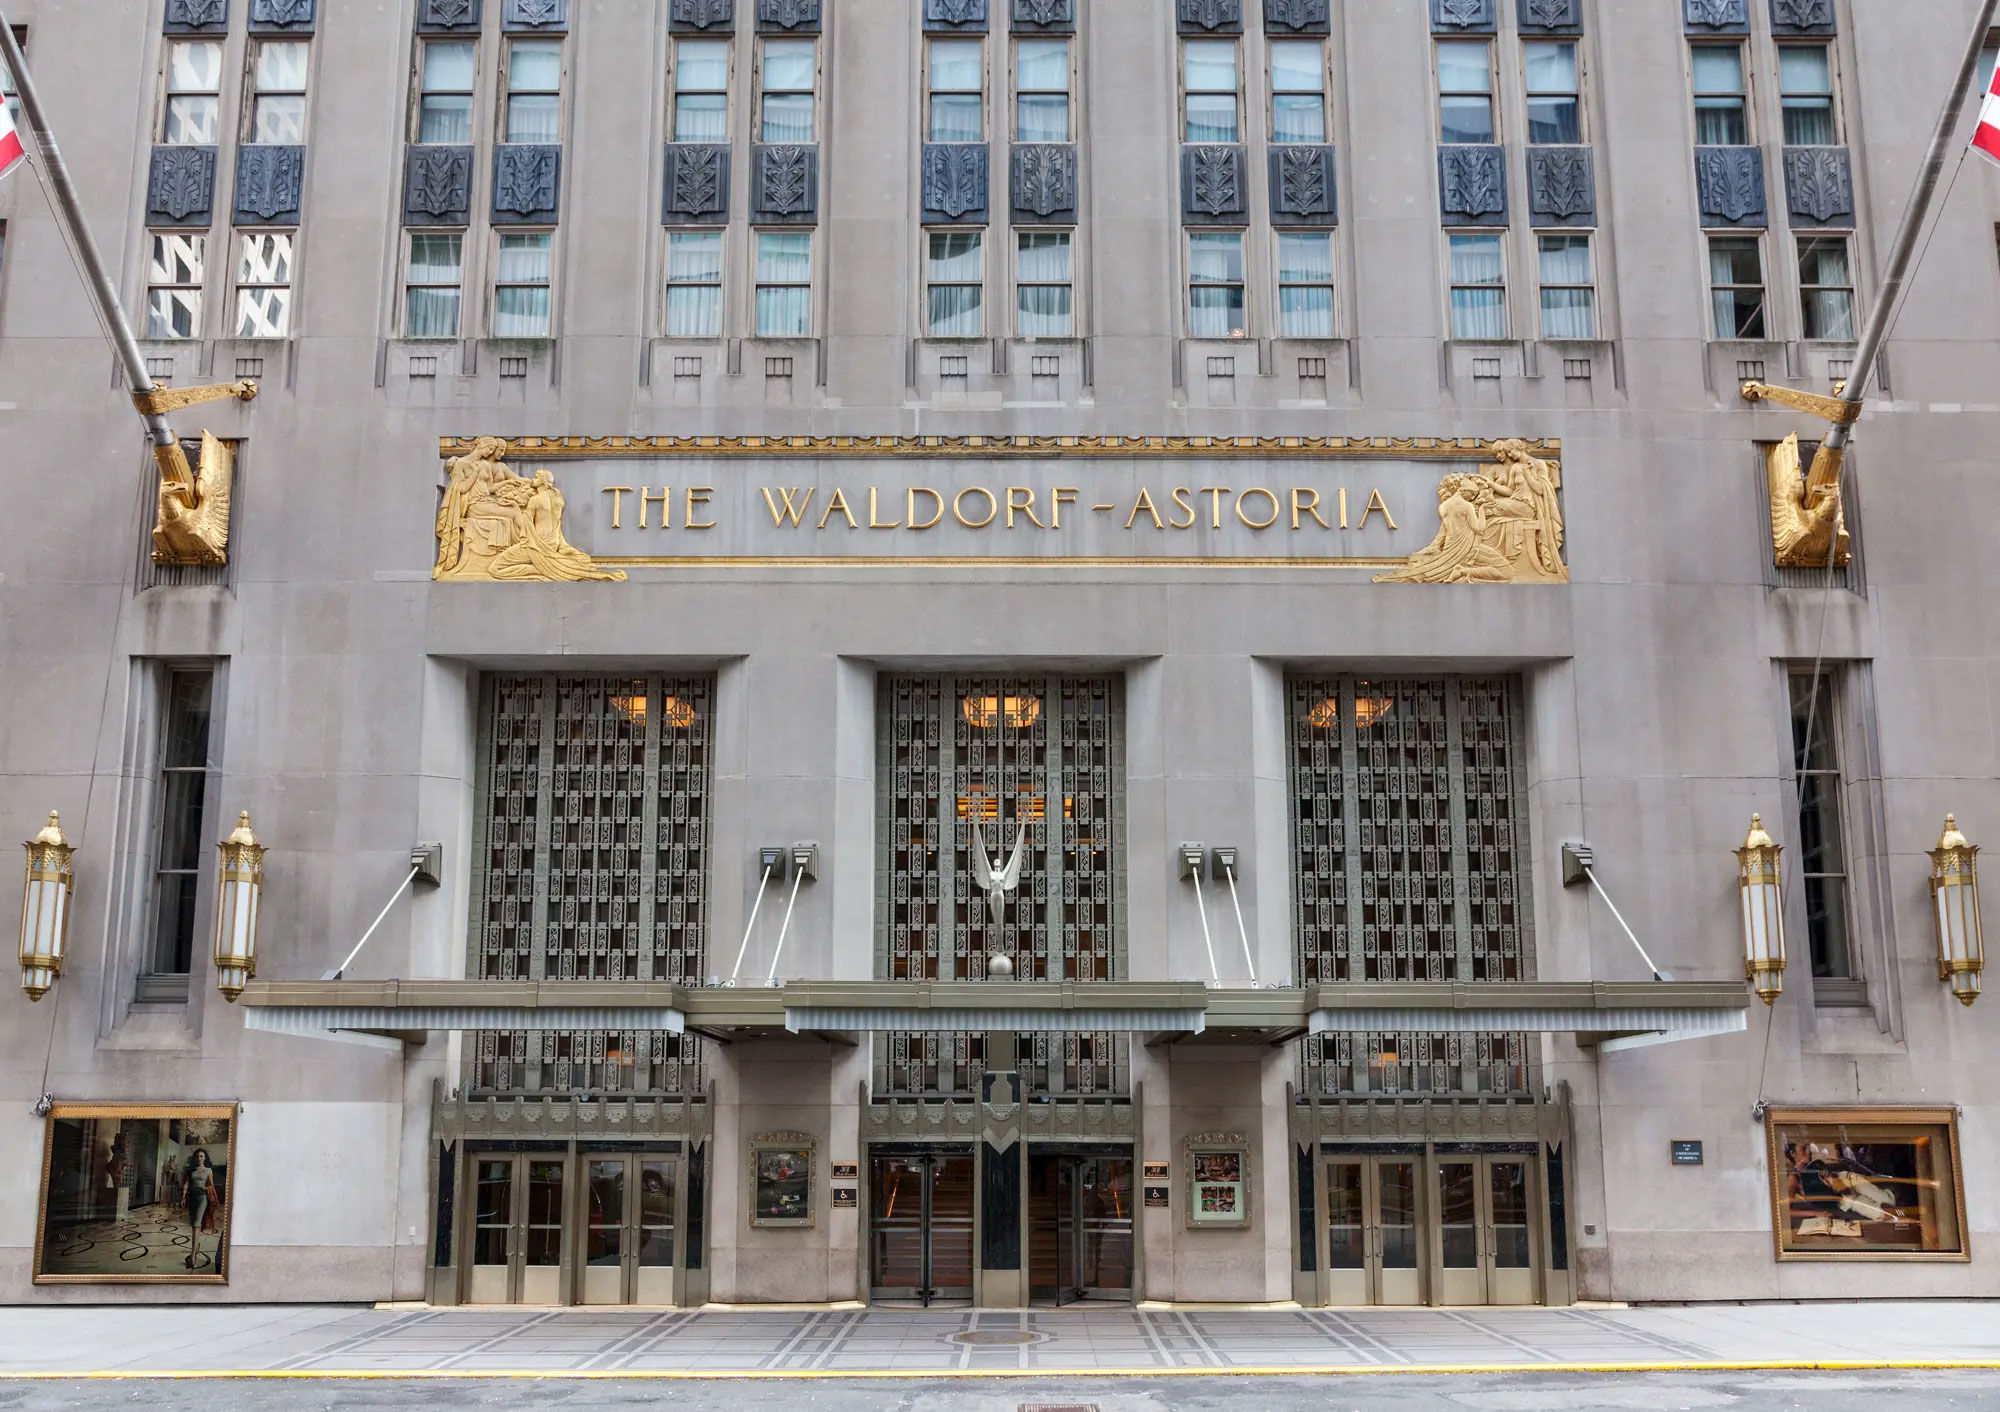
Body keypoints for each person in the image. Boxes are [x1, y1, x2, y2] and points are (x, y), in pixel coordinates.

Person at [185, 1148, 220, 1270]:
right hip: (192, 1199)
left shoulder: (208, 1170)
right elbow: (186, 1184)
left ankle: (193, 1255)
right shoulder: (191, 1171)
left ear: (205, 1158)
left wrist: (205, 1188)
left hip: (202, 1199)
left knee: (196, 1224)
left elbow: (211, 1185)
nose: (199, 1158)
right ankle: (196, 1247)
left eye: (201, 1156)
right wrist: (183, 1197)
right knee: (193, 1224)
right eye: (198, 1156)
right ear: (195, 1158)